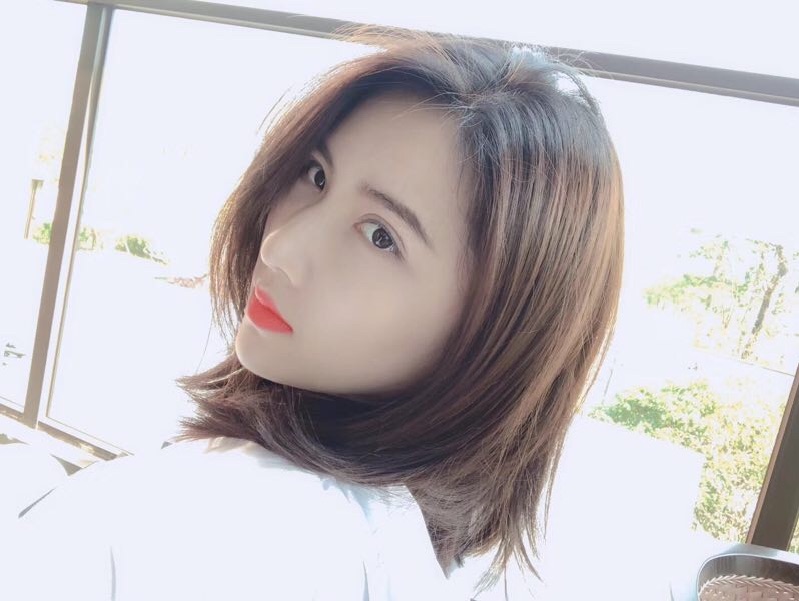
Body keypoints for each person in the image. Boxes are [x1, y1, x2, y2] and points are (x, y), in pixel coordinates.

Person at [1, 24, 624, 601]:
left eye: (380, 236)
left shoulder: (196, 522)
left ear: (498, 334)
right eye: (317, 175)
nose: (280, 246)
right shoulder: (438, 553)